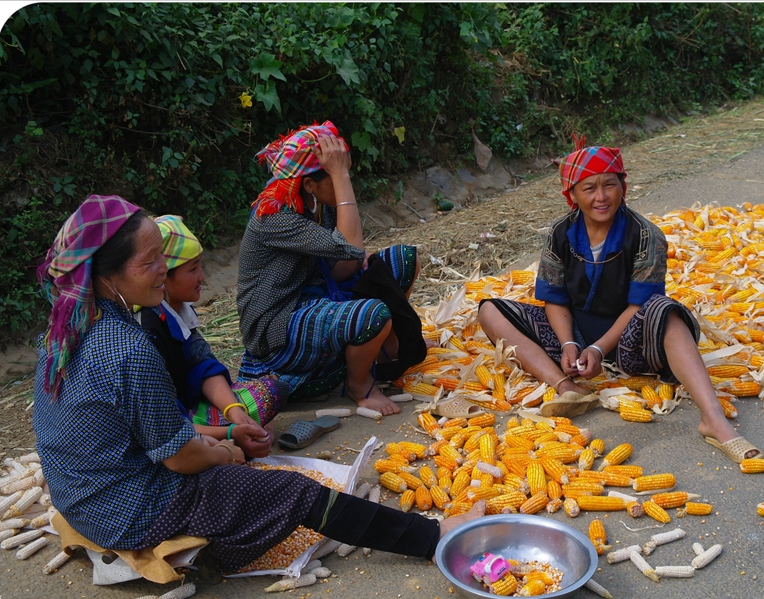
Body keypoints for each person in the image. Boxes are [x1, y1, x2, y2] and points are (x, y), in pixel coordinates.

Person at [32, 195, 484, 575]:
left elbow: (154, 416)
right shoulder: (127, 346)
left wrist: (228, 430)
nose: (161, 272)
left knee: (241, 462)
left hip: (81, 496)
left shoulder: (66, 325)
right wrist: (223, 451)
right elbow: (179, 458)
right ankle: (434, 536)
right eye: (151, 263)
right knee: (295, 493)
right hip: (127, 510)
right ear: (107, 275)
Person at [477, 141, 763, 464]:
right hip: (575, 331)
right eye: (589, 188)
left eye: (609, 184)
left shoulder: (645, 235)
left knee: (666, 313)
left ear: (623, 187)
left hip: (630, 340)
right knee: (489, 310)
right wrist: (568, 342)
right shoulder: (560, 233)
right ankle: (565, 385)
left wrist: (599, 349)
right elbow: (554, 299)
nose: (601, 197)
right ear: (572, 195)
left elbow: (640, 305)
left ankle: (713, 419)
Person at [237, 120, 424, 417]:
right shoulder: (275, 216)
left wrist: (359, 256)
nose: (344, 184)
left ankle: (367, 354)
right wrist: (340, 176)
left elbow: (347, 260)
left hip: (321, 289)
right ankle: (359, 385)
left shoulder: (317, 202)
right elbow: (351, 248)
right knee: (373, 315)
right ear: (309, 185)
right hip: (278, 321)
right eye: (338, 178)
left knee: (403, 260)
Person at [137, 215, 287, 459]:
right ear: (164, 276)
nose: (202, 277)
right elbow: (163, 426)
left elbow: (202, 365)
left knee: (270, 391)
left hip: (188, 409)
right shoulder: (148, 332)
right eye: (193, 269)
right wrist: (230, 434)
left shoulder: (179, 309)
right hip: (171, 428)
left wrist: (235, 412)